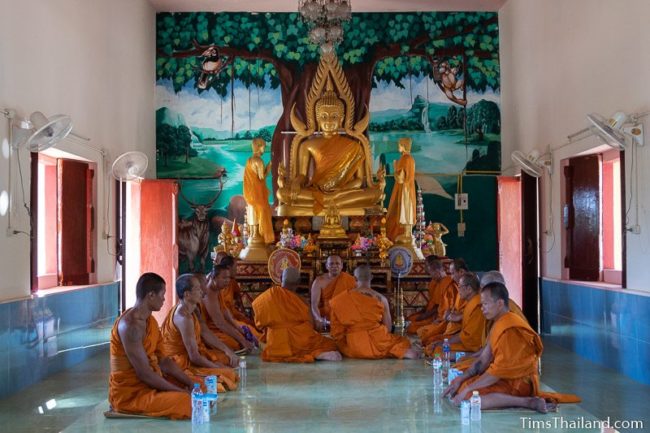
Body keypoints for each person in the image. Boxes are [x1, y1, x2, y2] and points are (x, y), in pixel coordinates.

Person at [443, 282, 580, 412]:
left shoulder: (510, 328)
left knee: (470, 398)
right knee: (462, 387)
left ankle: (528, 402)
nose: (482, 308)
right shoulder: (497, 324)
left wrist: (468, 389)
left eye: (485, 304)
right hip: (505, 378)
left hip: (520, 382)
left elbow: (497, 372)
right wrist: (462, 379)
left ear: (500, 303)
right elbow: (482, 361)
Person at [276, 76, 384, 215]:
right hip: (316, 192)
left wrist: (340, 190)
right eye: (324, 116)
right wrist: (296, 183)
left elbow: (358, 180)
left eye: (334, 117)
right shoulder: (307, 145)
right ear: (317, 118)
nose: (328, 121)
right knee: (283, 193)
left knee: (376, 194)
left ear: (342, 118)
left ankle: (330, 201)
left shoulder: (354, 146)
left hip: (343, 193)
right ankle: (331, 201)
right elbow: (302, 175)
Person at [108, 273, 193, 419]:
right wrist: (180, 392)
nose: (164, 299)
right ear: (151, 295)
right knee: (186, 401)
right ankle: (126, 407)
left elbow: (164, 361)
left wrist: (189, 383)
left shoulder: (150, 321)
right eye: (162, 294)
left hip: (151, 380)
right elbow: (144, 374)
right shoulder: (129, 326)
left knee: (198, 386)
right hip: (131, 393)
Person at [159, 274, 239, 393]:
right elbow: (194, 357)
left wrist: (227, 350)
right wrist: (217, 367)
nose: (202, 291)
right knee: (228, 375)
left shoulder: (194, 308)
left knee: (227, 360)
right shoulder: (183, 317)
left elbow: (205, 332)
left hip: (192, 356)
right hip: (179, 364)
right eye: (198, 289)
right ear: (187, 294)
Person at [252, 267, 342, 362]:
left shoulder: (268, 296)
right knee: (330, 344)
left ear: (281, 278)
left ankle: (314, 353)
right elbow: (312, 325)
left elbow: (259, 323)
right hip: (300, 340)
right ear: (298, 282)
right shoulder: (302, 301)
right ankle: (315, 352)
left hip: (275, 342)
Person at [329, 265, 420, 359]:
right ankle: (400, 351)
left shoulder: (341, 299)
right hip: (378, 339)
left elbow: (336, 330)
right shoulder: (381, 299)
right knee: (400, 342)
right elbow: (388, 328)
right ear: (371, 277)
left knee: (337, 345)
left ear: (354, 278)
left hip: (355, 344)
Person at [454, 271, 528, 371]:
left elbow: (501, 363)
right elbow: (489, 347)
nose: (480, 292)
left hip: (513, 371)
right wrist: (470, 358)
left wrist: (468, 383)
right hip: (495, 362)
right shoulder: (496, 312)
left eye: (483, 289)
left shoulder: (509, 318)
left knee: (464, 372)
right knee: (461, 366)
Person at [425, 272, 486, 357]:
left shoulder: (477, 306)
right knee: (435, 347)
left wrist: (445, 343)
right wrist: (445, 342)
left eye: (460, 286)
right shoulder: (471, 303)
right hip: (467, 342)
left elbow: (471, 338)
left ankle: (473, 355)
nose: (458, 289)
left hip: (474, 346)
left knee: (437, 351)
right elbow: (465, 333)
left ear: (469, 289)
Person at [201, 264, 256, 353]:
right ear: (214, 278)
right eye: (224, 278)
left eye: (228, 278)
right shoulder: (208, 294)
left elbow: (225, 310)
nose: (227, 281)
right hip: (208, 330)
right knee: (234, 344)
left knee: (243, 332)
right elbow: (220, 323)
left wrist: (237, 328)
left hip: (218, 327)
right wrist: (242, 340)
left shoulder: (217, 289)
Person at [417, 258, 468, 345]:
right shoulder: (459, 286)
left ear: (461, 272)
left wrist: (458, 317)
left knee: (431, 343)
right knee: (424, 334)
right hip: (449, 322)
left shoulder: (465, 287)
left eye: (452, 273)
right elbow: (452, 307)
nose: (451, 277)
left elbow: (467, 313)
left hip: (459, 328)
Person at [406, 256, 457, 335]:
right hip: (436, 316)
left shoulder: (448, 284)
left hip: (444, 319)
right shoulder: (438, 282)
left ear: (437, 271)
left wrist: (425, 316)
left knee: (418, 330)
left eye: (431, 274)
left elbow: (446, 308)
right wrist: (423, 313)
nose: (431, 276)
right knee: (411, 320)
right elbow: (433, 303)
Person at [217, 255, 262, 341]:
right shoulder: (216, 286)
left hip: (233, 315)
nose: (237, 270)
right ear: (228, 268)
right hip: (224, 320)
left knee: (254, 325)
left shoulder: (232, 282)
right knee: (251, 331)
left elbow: (238, 297)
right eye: (236, 267)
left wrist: (243, 312)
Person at [310, 255, 356, 331]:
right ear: (326, 266)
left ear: (341, 266)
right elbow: (314, 304)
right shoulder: (319, 281)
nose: (334, 266)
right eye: (331, 264)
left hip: (345, 316)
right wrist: (319, 319)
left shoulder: (350, 280)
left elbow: (355, 301)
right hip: (326, 316)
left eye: (337, 264)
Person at [243, 137, 275, 244]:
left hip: (250, 193)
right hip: (257, 193)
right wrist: (269, 166)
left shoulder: (249, 160)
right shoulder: (259, 161)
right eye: (264, 147)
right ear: (259, 147)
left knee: (252, 210)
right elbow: (262, 177)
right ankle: (258, 235)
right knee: (261, 211)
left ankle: (253, 234)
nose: (264, 150)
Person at [386, 137, 416, 241]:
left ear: (404, 146)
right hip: (409, 188)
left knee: (405, 209)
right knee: (408, 209)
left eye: (400, 145)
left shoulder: (404, 159)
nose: (398, 146)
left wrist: (395, 167)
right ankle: (408, 233)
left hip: (404, 189)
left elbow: (400, 179)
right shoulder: (411, 159)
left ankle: (406, 233)